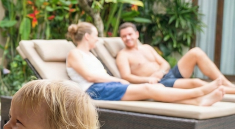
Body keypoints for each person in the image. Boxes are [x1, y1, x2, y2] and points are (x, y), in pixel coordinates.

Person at [66, 22, 225, 105]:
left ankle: (197, 101)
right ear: (87, 36)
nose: (97, 38)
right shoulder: (74, 54)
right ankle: (198, 92)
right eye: (95, 35)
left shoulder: (91, 55)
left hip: (104, 87)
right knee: (150, 88)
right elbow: (88, 76)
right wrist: (118, 79)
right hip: (94, 91)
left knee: (155, 89)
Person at [116, 22, 235, 95]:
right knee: (196, 82)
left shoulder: (146, 47)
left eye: (130, 34)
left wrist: (159, 71)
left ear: (136, 34)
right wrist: (149, 79)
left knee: (196, 52)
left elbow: (164, 63)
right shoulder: (123, 55)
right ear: (121, 38)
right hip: (161, 82)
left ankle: (229, 85)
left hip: (166, 74)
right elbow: (126, 76)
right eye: (124, 36)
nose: (127, 38)